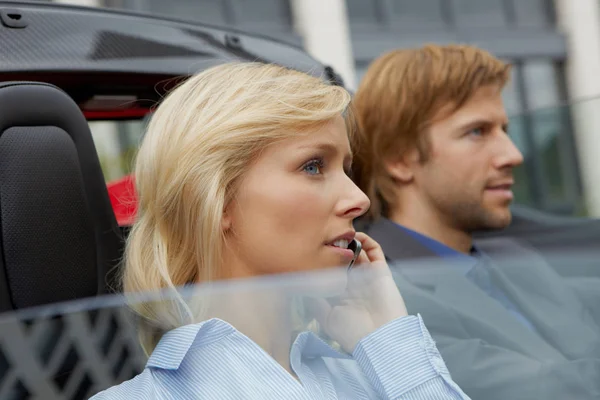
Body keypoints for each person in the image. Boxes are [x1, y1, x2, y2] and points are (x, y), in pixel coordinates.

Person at [91, 62, 470, 399]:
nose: (359, 199)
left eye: (347, 169)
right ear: (216, 197)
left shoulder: (380, 376)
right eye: (313, 166)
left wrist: (386, 338)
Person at [352, 44, 600, 399]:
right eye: (477, 132)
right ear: (399, 159)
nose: (512, 155)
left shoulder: (512, 257)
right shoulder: (383, 297)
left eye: (504, 129)